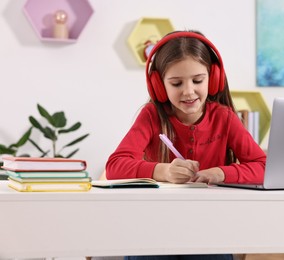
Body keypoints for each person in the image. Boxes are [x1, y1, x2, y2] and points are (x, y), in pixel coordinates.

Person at [105, 30, 267, 260]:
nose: (189, 91)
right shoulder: (151, 115)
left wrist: (222, 173)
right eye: (176, 83)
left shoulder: (225, 117)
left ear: (214, 78)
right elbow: (114, 166)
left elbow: (264, 166)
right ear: (159, 86)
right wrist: (163, 171)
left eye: (198, 80)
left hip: (208, 229)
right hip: (153, 228)